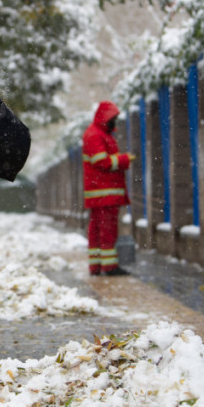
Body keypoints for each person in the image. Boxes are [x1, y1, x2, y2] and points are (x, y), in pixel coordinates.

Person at [82, 100, 135, 276]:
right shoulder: (96, 135)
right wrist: (124, 159)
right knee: (107, 231)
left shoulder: (98, 134)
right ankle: (109, 267)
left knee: (98, 231)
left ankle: (97, 266)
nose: (115, 122)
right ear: (105, 118)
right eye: (113, 118)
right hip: (104, 194)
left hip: (101, 194)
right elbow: (102, 161)